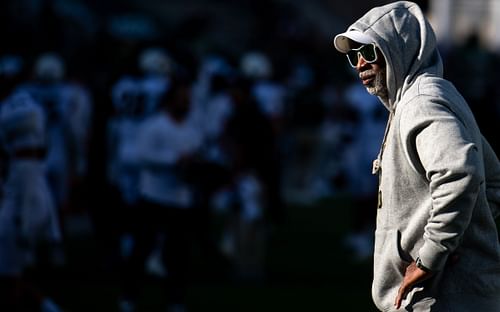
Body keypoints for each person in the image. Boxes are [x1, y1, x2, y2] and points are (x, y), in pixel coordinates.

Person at [333, 1, 500, 311]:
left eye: (369, 52)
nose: (359, 64)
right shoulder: (432, 94)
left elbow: (460, 172)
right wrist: (460, 235)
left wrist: (433, 255)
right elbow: (493, 179)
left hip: (438, 299)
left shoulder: (422, 102)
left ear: (399, 49)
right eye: (353, 55)